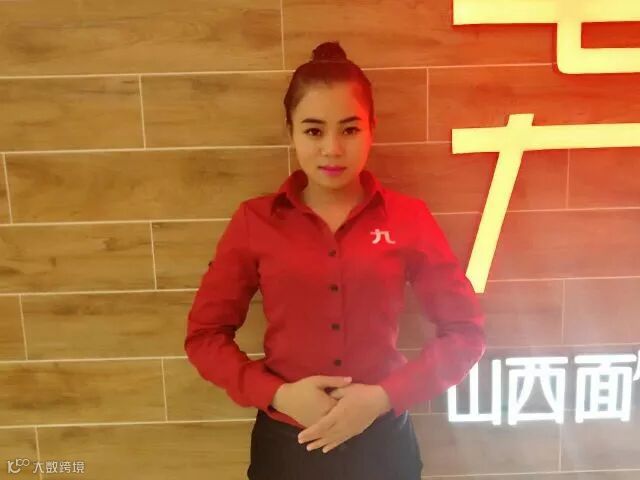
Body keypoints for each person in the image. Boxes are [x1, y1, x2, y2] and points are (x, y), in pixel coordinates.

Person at [184, 40, 487, 480]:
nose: (332, 149)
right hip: (287, 445)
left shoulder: (408, 218)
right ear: (290, 131)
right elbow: (204, 336)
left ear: (371, 129)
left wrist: (384, 396)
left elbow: (465, 333)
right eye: (313, 131)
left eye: (349, 130)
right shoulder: (256, 221)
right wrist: (279, 394)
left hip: (382, 442)